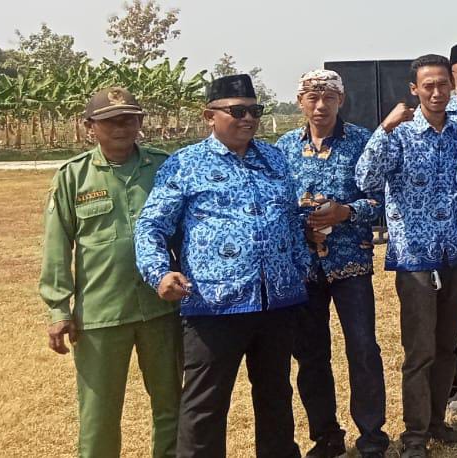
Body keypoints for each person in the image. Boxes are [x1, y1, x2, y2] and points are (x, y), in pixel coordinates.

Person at [134, 74, 309, 457]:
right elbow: (151, 226)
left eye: (255, 111)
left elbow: (291, 219)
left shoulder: (274, 158)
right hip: (214, 305)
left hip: (276, 303)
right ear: (209, 116)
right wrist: (159, 273)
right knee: (205, 405)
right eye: (237, 112)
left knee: (276, 397)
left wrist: (300, 268)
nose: (249, 119)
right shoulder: (185, 164)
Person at [41, 86, 178, 458]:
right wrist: (58, 309)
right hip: (101, 313)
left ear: (140, 122)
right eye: (110, 121)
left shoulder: (163, 167)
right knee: (99, 415)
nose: (121, 127)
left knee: (172, 406)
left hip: (161, 310)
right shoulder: (73, 176)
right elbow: (57, 245)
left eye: (129, 119)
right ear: (90, 126)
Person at [355, 54, 457, 458]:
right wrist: (384, 128)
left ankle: (437, 421)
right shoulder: (400, 134)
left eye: (443, 84)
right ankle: (415, 434)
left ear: (451, 86)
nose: (437, 92)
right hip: (416, 260)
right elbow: (365, 179)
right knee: (420, 352)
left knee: (447, 345)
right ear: (414, 89)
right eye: (428, 86)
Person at [275, 70, 388, 458]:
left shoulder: (361, 141)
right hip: (304, 267)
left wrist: (345, 212)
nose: (320, 105)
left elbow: (379, 200)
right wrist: (300, 225)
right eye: (312, 97)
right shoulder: (284, 148)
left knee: (363, 349)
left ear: (341, 100)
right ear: (300, 102)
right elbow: (277, 203)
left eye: (328, 98)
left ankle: (372, 437)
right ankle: (326, 437)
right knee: (310, 355)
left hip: (350, 262)